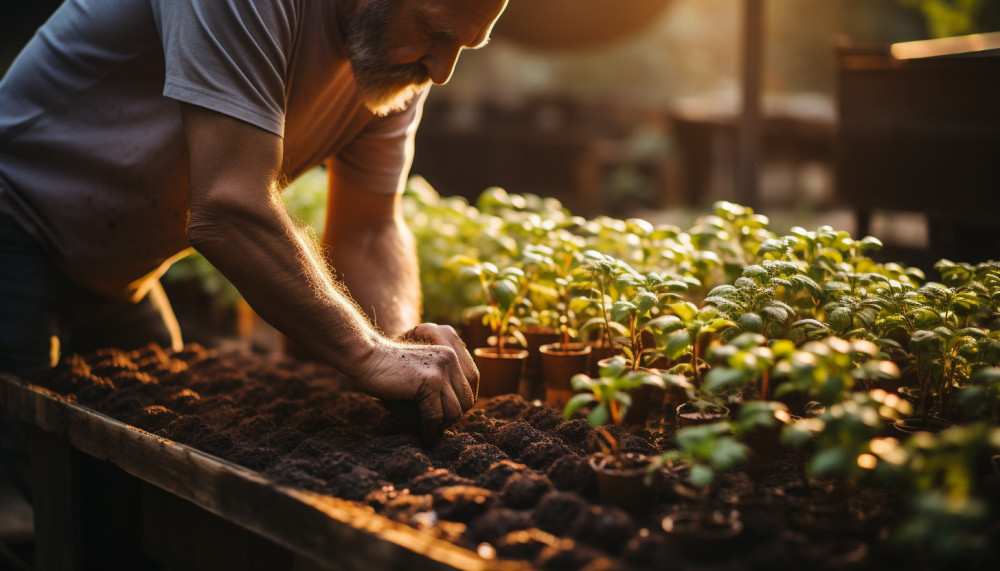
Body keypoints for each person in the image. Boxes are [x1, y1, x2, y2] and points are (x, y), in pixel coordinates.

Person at [0, 0, 509, 435]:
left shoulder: (396, 64)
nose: (444, 70)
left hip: (120, 278)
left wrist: (401, 344)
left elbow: (369, 228)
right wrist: (370, 354)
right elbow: (227, 205)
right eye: (436, 31)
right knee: (61, 477)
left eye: (465, 45)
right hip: (15, 219)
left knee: (145, 477)